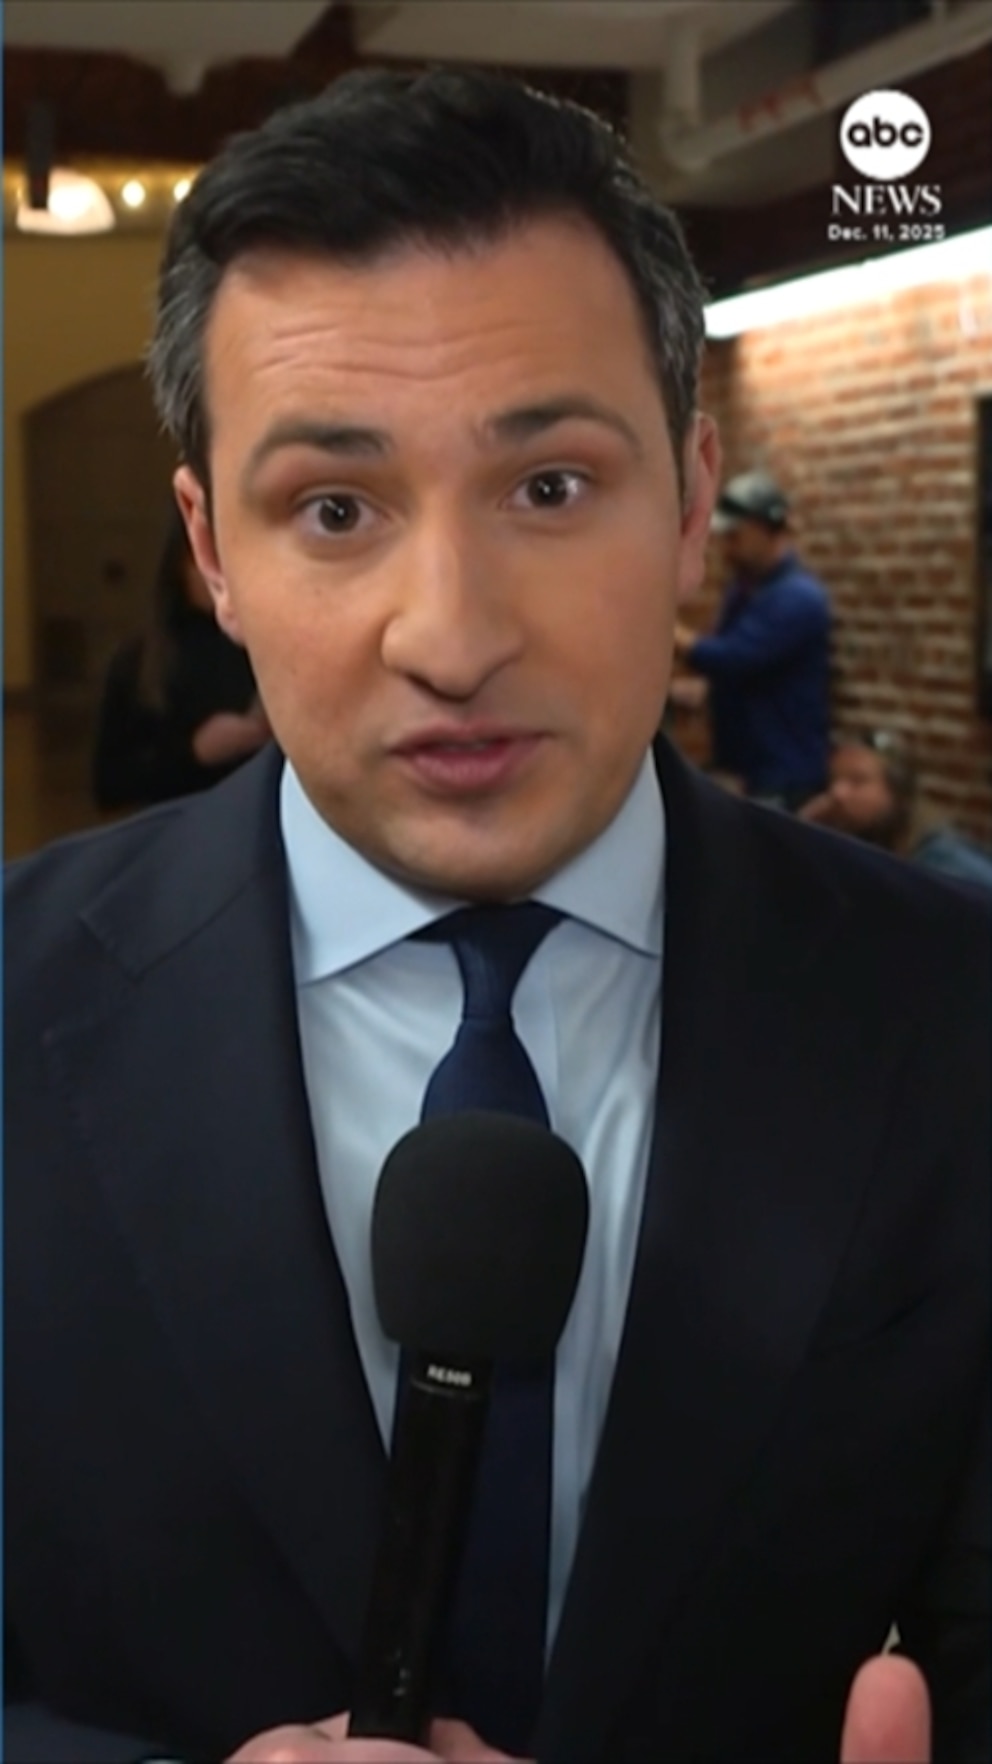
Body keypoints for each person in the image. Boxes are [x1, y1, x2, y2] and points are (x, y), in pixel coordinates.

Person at [4, 67, 987, 1764]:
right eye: (335, 510)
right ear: (210, 549)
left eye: (549, 488)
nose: (449, 636)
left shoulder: (955, 1012)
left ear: (692, 500)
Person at [670, 468, 832, 808]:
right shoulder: (745, 590)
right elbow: (754, 672)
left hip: (782, 776)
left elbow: (734, 657)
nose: (727, 548)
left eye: (735, 536)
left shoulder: (798, 597)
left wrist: (668, 630)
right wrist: (709, 690)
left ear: (764, 527)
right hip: (747, 771)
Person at [92, 504, 270, 810]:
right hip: (179, 819)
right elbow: (110, 782)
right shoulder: (140, 660)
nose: (219, 575)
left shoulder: (264, 647)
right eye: (204, 558)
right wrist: (195, 752)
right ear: (179, 563)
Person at [800, 728, 992, 891]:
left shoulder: (944, 862)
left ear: (898, 791)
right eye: (834, 780)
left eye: (857, 781)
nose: (837, 793)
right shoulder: (867, 844)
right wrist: (803, 831)